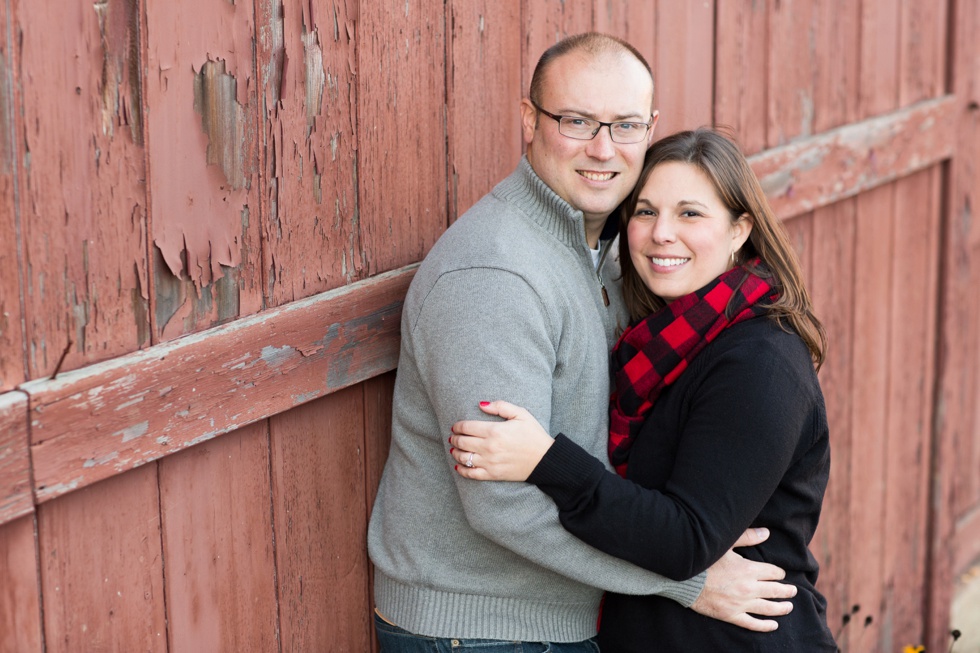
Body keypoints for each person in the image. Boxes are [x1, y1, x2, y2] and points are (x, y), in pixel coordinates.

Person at [368, 34, 798, 652]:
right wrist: (688, 581)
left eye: (624, 126)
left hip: (551, 618)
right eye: (576, 121)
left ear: (649, 129)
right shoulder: (496, 276)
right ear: (528, 120)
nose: (603, 149)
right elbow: (502, 507)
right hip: (481, 629)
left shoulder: (613, 255)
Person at [449, 127, 838, 651]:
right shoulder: (659, 341)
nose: (661, 234)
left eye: (690, 213)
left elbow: (685, 540)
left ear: (740, 229)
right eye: (646, 211)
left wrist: (546, 462)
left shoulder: (760, 364)